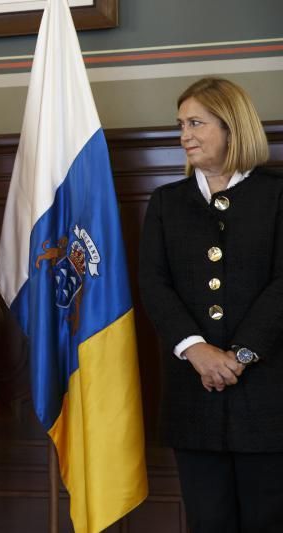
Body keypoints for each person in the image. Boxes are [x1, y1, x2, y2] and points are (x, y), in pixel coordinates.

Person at [139, 77, 283, 532]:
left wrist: (239, 355)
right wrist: (196, 350)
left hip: (267, 395)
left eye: (196, 123)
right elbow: (154, 283)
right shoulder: (166, 203)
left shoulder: (276, 196)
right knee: (208, 520)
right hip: (192, 397)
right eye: (181, 124)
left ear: (231, 126)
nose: (185, 135)